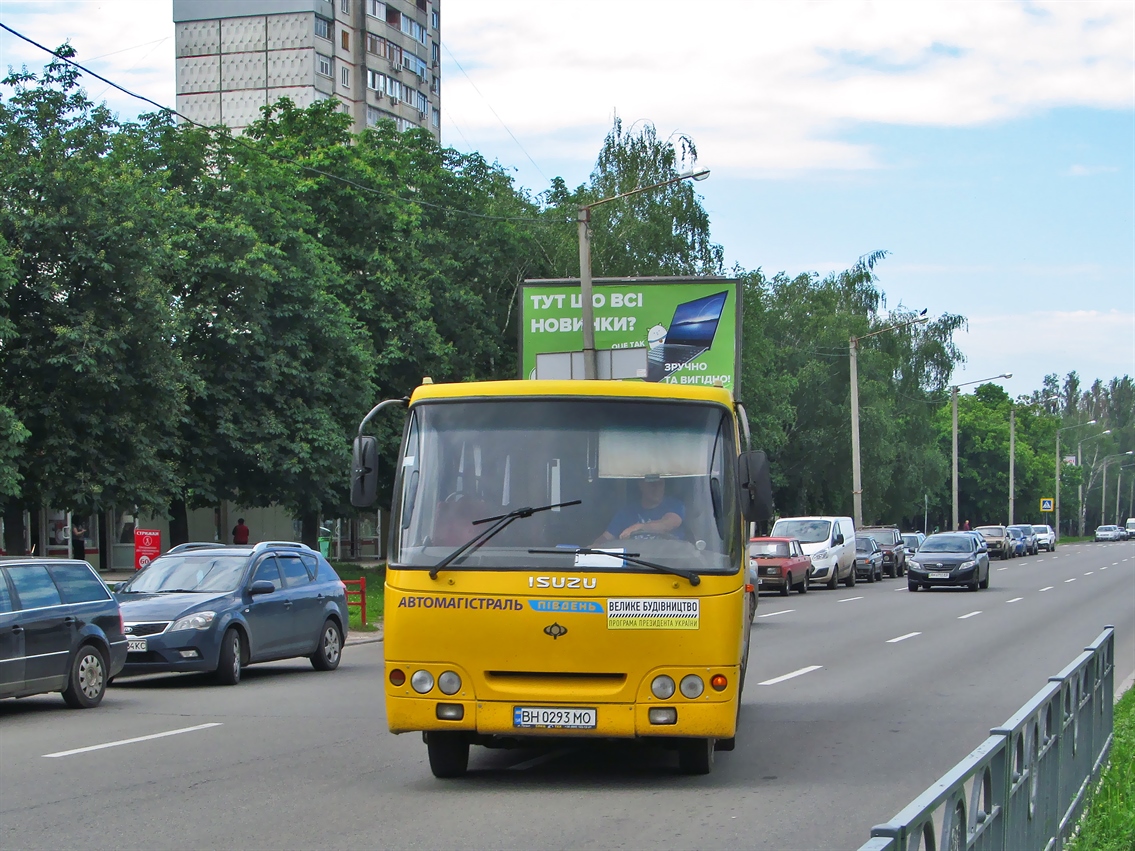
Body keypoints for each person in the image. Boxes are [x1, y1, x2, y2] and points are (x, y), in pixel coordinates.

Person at [594, 477, 685, 544]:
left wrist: (639, 527)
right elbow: (606, 538)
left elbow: (669, 523)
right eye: (652, 484)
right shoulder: (626, 513)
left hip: (669, 564)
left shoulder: (674, 505)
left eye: (660, 484)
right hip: (634, 564)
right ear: (641, 485)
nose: (657, 488)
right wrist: (592, 549)